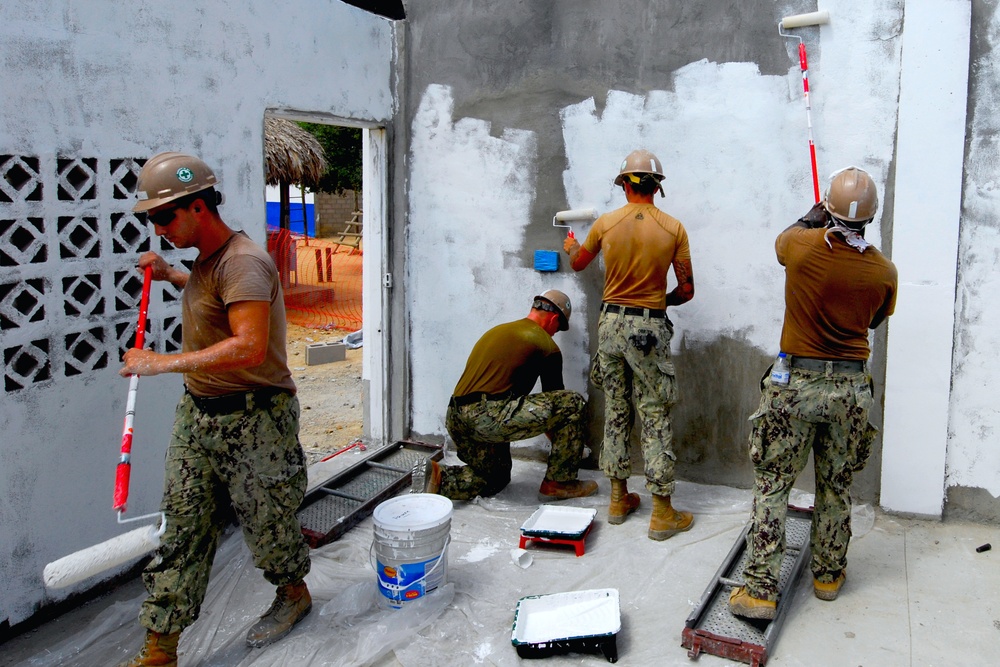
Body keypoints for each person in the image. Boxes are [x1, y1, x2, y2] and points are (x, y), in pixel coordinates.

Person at [117, 152, 312, 666]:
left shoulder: (243, 260)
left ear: (198, 207)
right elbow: (211, 297)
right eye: (151, 220)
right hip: (199, 415)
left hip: (255, 418)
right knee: (183, 528)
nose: (158, 229)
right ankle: (161, 647)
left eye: (164, 217)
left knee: (268, 527)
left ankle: (293, 592)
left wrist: (160, 363)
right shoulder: (206, 264)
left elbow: (248, 345)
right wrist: (169, 275)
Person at [728, 166, 898, 620]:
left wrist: (810, 218)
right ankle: (827, 575)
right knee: (836, 487)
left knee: (773, 486)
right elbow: (875, 321)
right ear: (871, 217)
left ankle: (761, 591)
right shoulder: (884, 270)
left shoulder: (801, 246)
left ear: (827, 208)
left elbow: (782, 242)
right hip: (849, 391)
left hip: (795, 388)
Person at [563, 149, 695, 540]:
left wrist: (571, 245)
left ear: (624, 185)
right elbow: (686, 291)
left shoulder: (605, 224)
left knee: (618, 408)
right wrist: (658, 301)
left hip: (609, 325)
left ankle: (618, 498)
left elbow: (578, 263)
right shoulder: (673, 228)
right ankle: (662, 512)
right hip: (647, 327)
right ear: (658, 187)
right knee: (654, 411)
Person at [412, 290, 598, 502]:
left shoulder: (498, 330)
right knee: (572, 403)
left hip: (456, 417)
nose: (555, 333)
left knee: (496, 478)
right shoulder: (546, 345)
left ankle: (438, 478)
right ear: (554, 318)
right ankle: (559, 484)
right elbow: (558, 408)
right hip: (488, 416)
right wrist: (570, 450)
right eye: (558, 327)